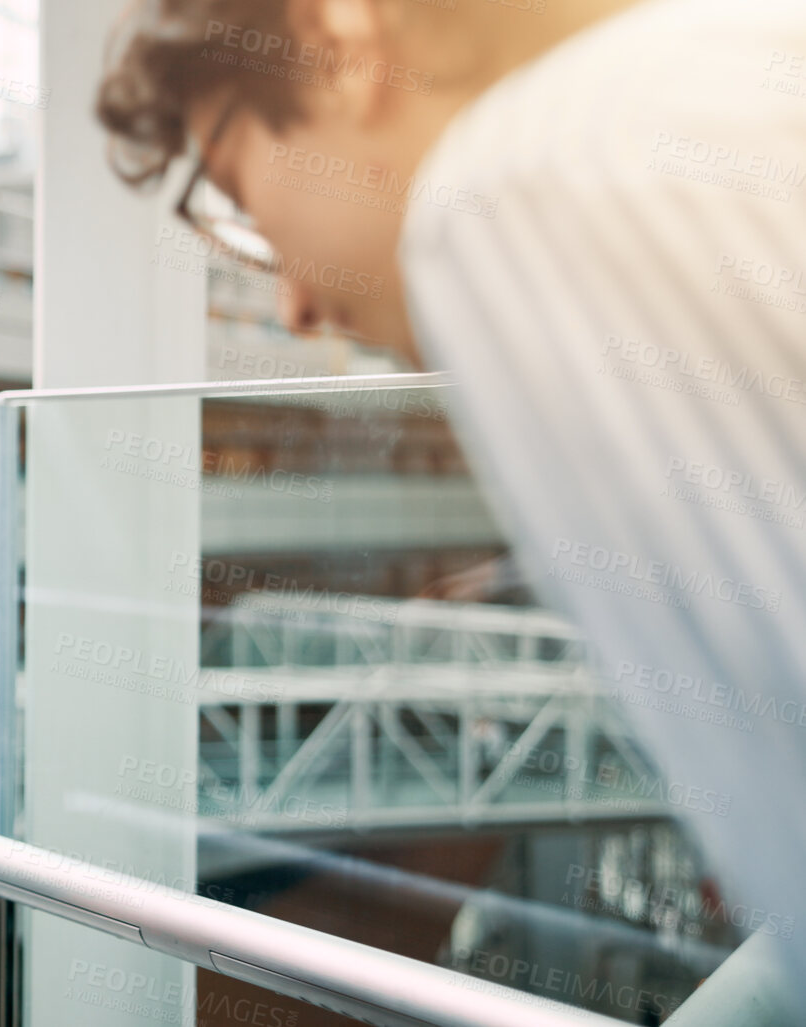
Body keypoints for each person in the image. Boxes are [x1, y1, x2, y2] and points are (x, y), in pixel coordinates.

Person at [96, 0, 806, 1000]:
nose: (293, 301)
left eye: (234, 190)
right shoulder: (707, 79)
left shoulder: (516, 194)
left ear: (339, 43)